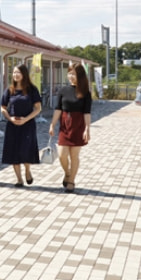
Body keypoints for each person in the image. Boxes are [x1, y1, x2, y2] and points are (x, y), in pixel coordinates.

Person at [49, 63, 92, 193]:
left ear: (80, 76)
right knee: (62, 154)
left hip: (78, 125)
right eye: (69, 73)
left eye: (74, 74)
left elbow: (87, 112)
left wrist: (87, 129)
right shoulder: (62, 91)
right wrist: (52, 124)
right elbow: (58, 109)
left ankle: (71, 181)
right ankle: (67, 173)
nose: (71, 76)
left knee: (74, 155)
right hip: (65, 125)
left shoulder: (85, 93)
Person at [1, 64, 43, 187]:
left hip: (27, 125)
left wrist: (26, 119)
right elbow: (3, 107)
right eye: (14, 72)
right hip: (12, 125)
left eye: (18, 72)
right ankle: (19, 179)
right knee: (14, 152)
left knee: (25, 150)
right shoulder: (9, 90)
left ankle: (27, 171)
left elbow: (38, 108)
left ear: (24, 74)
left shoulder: (32, 89)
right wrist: (10, 118)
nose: (15, 75)